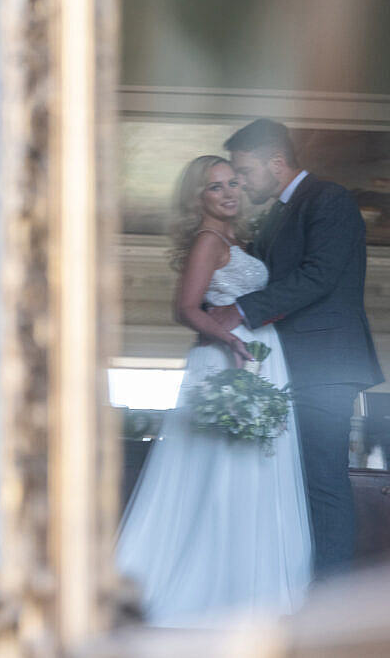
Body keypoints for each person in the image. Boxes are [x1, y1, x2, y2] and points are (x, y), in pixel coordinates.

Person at [115, 155, 312, 627]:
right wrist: (230, 340)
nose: (228, 192)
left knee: (249, 467)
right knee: (223, 469)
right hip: (230, 360)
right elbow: (184, 309)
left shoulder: (234, 239)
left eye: (233, 183)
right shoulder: (208, 241)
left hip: (253, 355)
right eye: (214, 187)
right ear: (195, 198)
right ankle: (214, 589)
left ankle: (249, 585)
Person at [209, 119, 384, 579]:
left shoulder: (328, 199)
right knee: (295, 480)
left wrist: (240, 310)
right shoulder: (278, 215)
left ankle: (327, 603)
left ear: (277, 162)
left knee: (322, 482)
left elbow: (318, 276)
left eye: (245, 172)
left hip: (325, 365)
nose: (241, 183)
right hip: (293, 366)